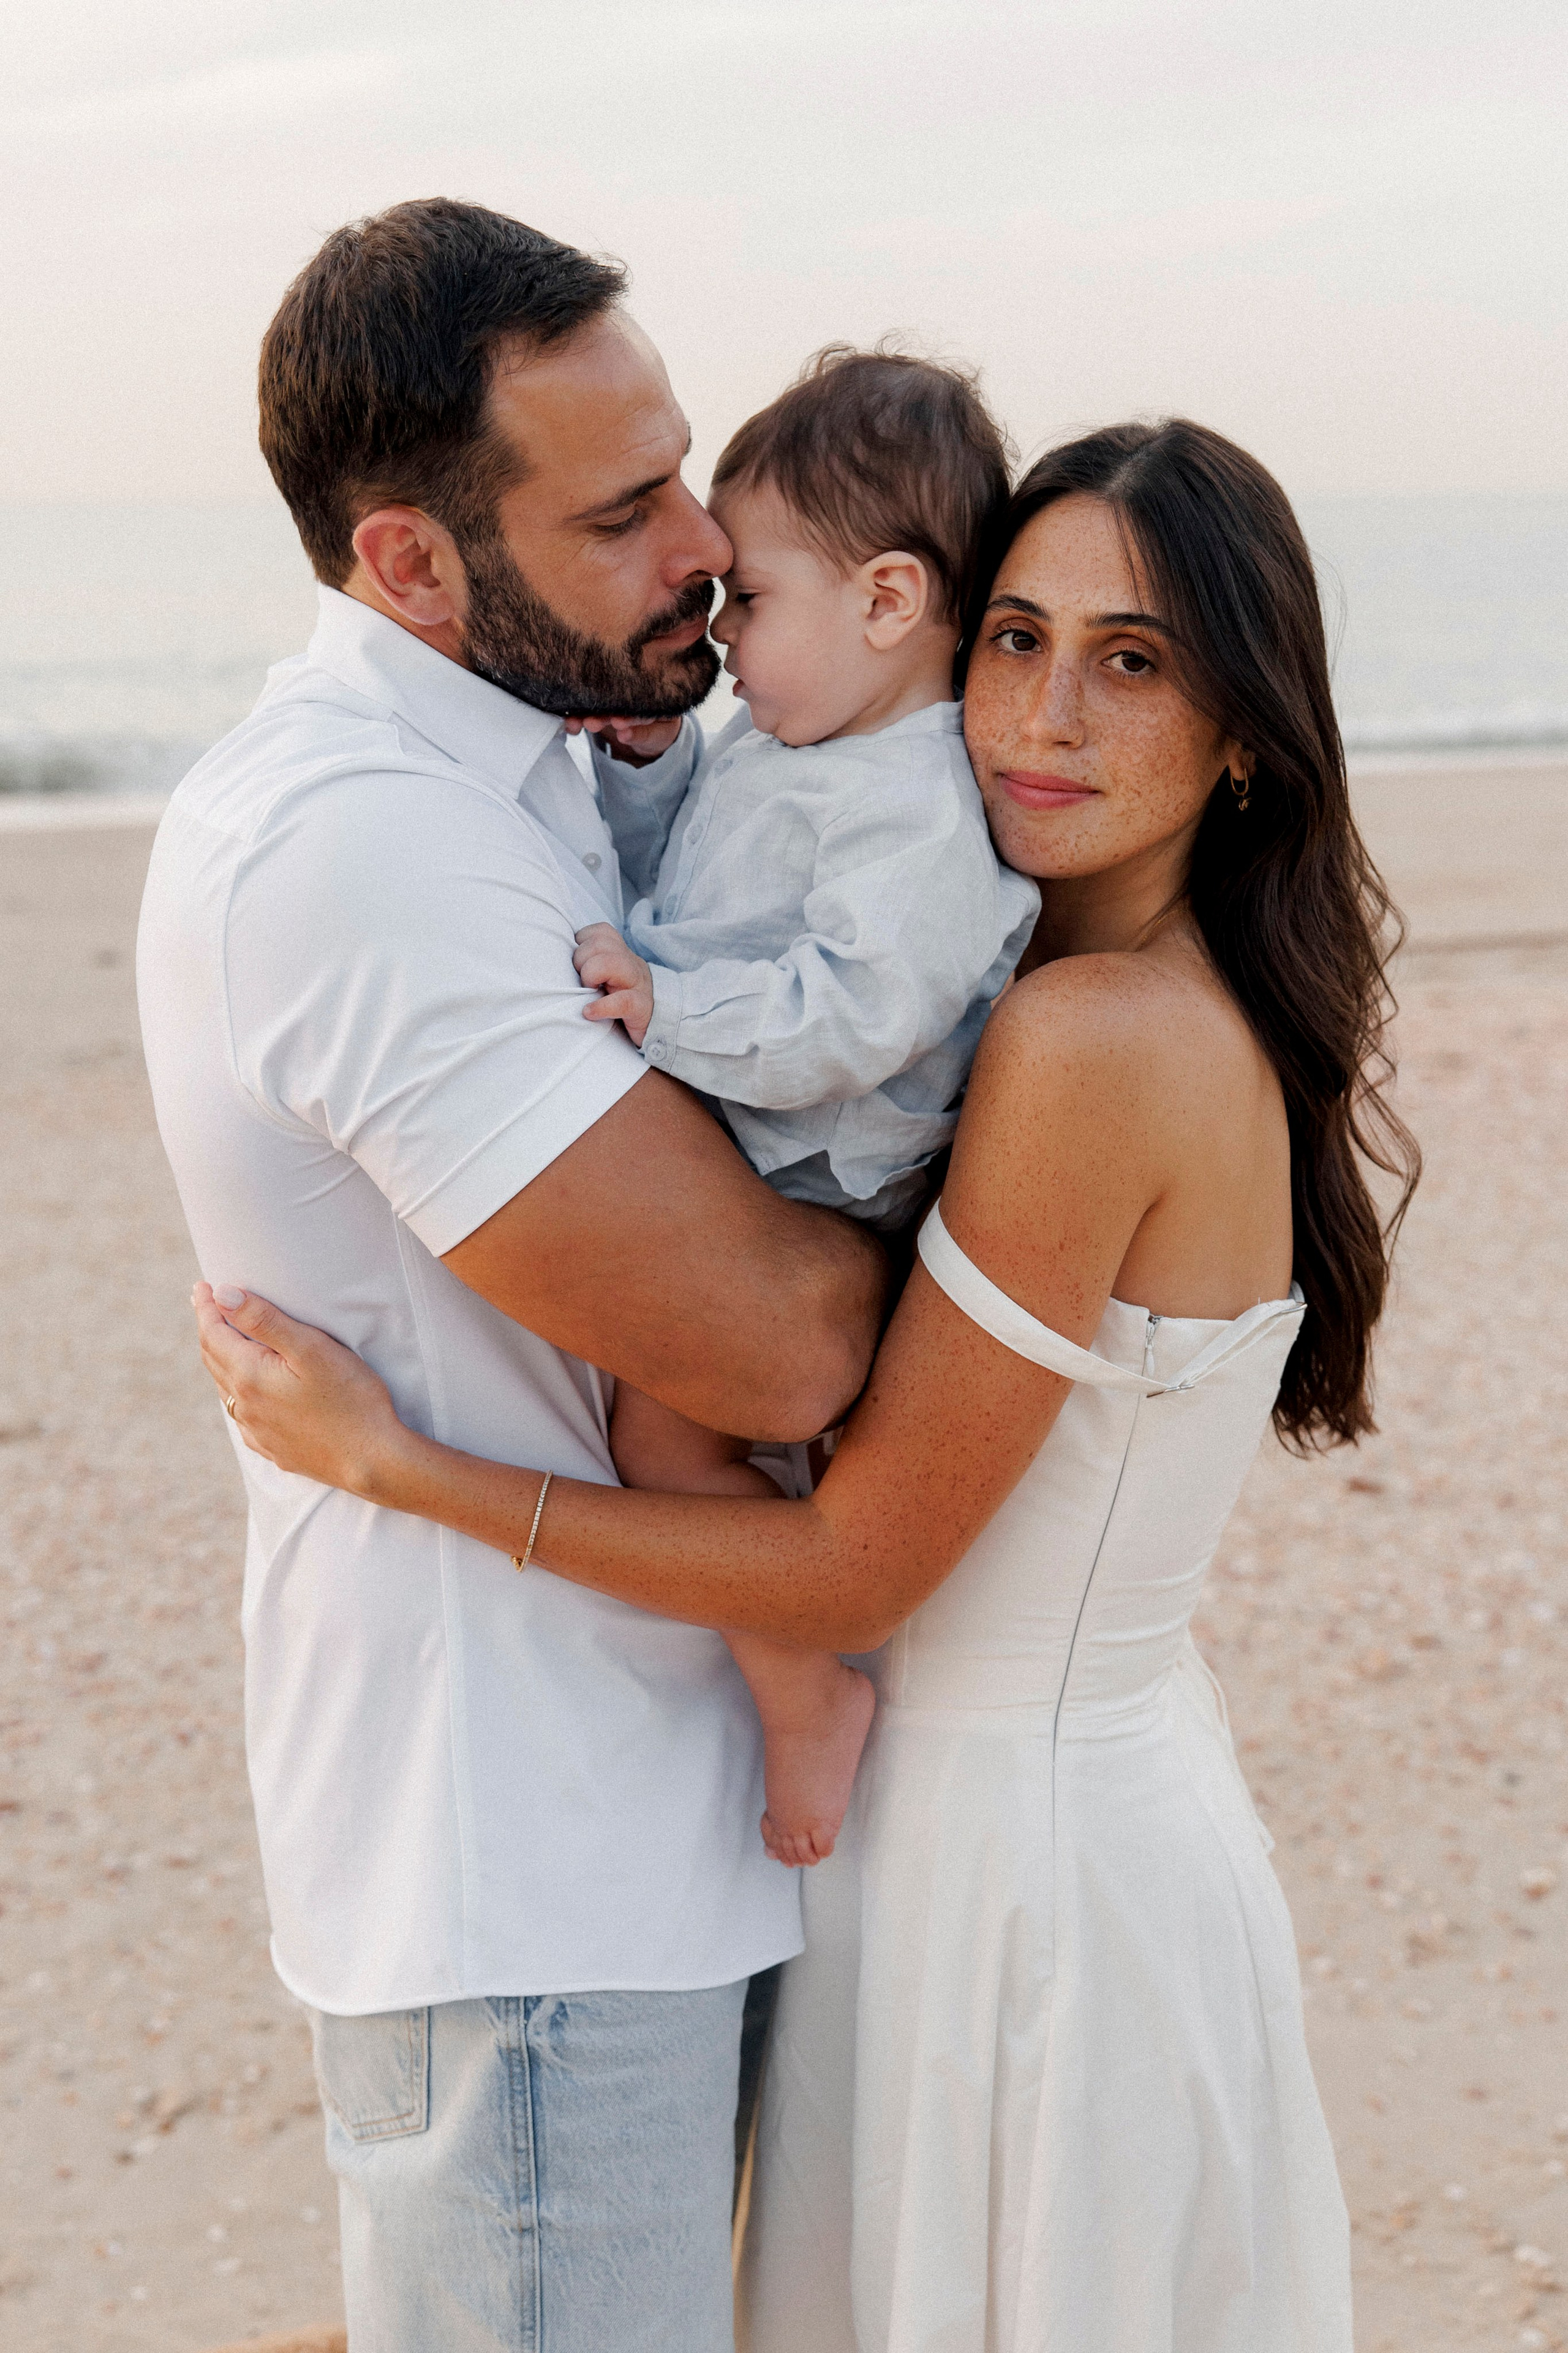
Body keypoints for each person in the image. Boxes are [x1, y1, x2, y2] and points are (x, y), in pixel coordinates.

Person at [194, 417, 1420, 2349]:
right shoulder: (1057, 1000)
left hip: (1027, 1896)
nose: (1040, 714)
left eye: (1133, 662)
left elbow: (856, 1577)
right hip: (991, 1843)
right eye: (1015, 639)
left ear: (1247, 729)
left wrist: (399, 1467)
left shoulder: (1096, 1042)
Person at [137, 198, 886, 2353]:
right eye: (628, 510)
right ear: (410, 563)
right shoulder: (361, 845)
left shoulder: (536, 765)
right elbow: (775, 1329)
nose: (707, 551)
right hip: (529, 1862)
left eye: (687, 474)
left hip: (646, 1822)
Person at [568, 348, 1039, 1867]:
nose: (720, 634)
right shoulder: (793, 743)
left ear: (888, 603)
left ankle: (799, 1698)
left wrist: (667, 1006)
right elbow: (690, 877)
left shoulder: (915, 807)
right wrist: (646, 770)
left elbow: (853, 1016)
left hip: (816, 1180)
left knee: (665, 1443)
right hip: (746, 1141)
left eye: (749, 602)